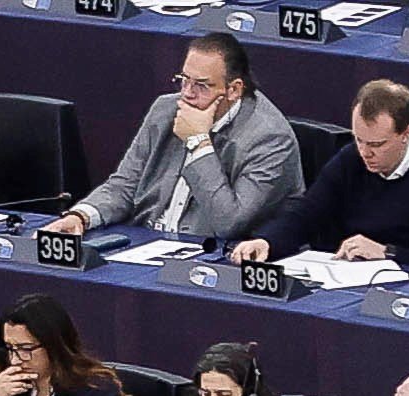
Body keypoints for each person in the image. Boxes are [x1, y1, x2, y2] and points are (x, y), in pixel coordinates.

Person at [77, 30, 307, 241]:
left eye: (201, 85)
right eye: (184, 80)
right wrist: (82, 216)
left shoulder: (270, 139)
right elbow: (126, 185)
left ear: (234, 90)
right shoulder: (166, 110)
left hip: (214, 255)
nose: (187, 94)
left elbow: (230, 223)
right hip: (146, 240)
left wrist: (198, 143)